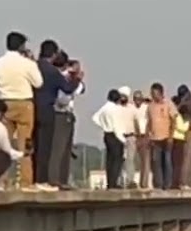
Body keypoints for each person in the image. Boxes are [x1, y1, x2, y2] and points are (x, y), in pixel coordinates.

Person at [0, 31, 43, 187]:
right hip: (24, 103)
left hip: (4, 103)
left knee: (3, 143)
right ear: (21, 46)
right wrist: (32, 61)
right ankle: (25, 181)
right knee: (25, 144)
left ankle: (1, 181)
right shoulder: (27, 64)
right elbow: (38, 83)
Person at [33, 39, 84, 190]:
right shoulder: (52, 71)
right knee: (49, 148)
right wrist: (77, 79)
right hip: (50, 109)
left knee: (38, 146)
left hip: (34, 106)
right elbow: (67, 89)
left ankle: (39, 179)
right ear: (54, 55)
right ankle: (46, 180)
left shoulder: (35, 67)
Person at [49, 55, 85, 188]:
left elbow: (81, 89)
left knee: (66, 149)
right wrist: (73, 80)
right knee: (58, 149)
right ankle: (55, 179)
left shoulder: (72, 80)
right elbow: (63, 99)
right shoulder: (62, 78)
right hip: (60, 113)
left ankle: (63, 179)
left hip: (68, 115)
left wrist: (76, 80)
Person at [91, 89, 130, 189]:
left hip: (107, 134)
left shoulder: (105, 107)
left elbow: (95, 117)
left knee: (109, 159)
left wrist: (103, 125)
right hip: (115, 135)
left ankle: (110, 182)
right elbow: (117, 127)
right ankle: (114, 182)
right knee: (117, 160)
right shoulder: (116, 109)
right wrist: (123, 140)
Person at [146, 83, 177, 190]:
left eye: (155, 93)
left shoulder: (168, 104)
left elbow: (174, 120)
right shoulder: (150, 106)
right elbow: (149, 121)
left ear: (160, 93)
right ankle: (158, 184)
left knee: (167, 161)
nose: (153, 96)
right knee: (156, 162)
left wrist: (171, 136)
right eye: (152, 93)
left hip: (166, 137)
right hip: (155, 138)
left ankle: (167, 184)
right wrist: (148, 135)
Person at [130, 88, 152, 189]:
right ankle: (131, 181)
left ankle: (144, 183)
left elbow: (150, 121)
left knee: (145, 161)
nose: (138, 101)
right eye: (136, 99)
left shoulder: (146, 108)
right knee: (131, 160)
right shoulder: (131, 108)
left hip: (145, 135)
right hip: (134, 136)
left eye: (139, 99)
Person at [170, 104, 191, 190]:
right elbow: (182, 128)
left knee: (178, 163)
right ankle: (176, 183)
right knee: (177, 163)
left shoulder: (181, 118)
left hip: (180, 140)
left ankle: (177, 182)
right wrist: (187, 124)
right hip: (177, 140)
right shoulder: (179, 118)